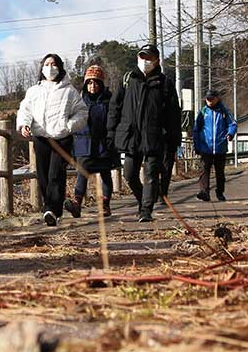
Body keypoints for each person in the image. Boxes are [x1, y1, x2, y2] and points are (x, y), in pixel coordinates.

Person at [107, 44, 181, 222]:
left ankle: (146, 210)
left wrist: (173, 138)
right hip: (131, 136)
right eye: (142, 57)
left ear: (157, 61)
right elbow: (114, 107)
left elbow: (173, 113)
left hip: (155, 136)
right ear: (137, 59)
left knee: (151, 175)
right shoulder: (127, 80)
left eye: (149, 58)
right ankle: (143, 201)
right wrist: (111, 131)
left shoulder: (165, 84)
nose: (145, 61)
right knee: (129, 174)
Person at [17, 54, 88, 226]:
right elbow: (25, 110)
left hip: (62, 138)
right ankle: (54, 210)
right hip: (41, 138)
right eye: (47, 64)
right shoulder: (34, 91)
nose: (50, 67)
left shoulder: (69, 91)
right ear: (42, 68)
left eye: (53, 64)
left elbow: (82, 113)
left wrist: (68, 126)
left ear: (60, 67)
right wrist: (24, 124)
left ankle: (50, 210)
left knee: (55, 174)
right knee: (43, 176)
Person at [66, 64, 118, 218]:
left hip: (104, 143)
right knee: (82, 172)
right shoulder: (78, 101)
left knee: (105, 173)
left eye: (96, 82)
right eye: (89, 82)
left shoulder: (109, 101)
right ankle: (77, 203)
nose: (92, 85)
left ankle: (105, 204)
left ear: (101, 84)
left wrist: (111, 138)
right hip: (83, 143)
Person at [193, 89, 235, 201]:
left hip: (220, 146)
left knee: (220, 172)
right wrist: (197, 145)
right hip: (206, 146)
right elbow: (196, 129)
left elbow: (232, 124)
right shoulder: (203, 112)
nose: (209, 101)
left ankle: (220, 192)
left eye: (211, 99)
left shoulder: (224, 111)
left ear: (217, 98)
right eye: (207, 99)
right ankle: (204, 192)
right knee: (204, 170)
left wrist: (230, 134)